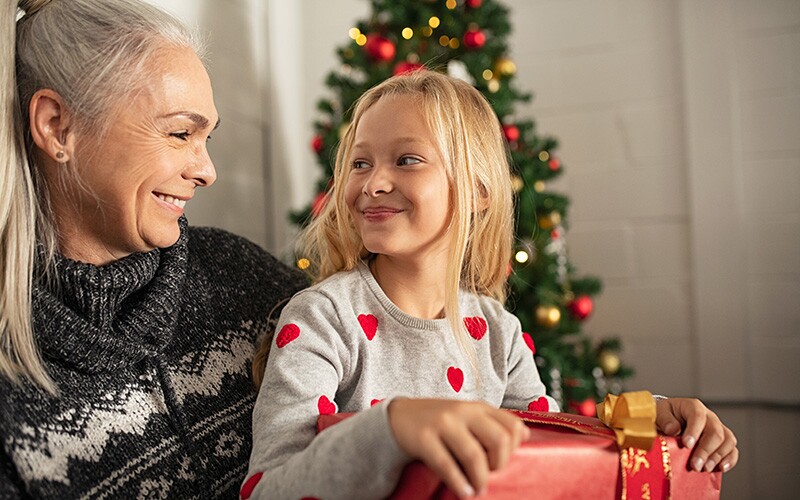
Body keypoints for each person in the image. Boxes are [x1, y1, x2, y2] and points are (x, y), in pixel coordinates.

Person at [244, 70, 739, 500]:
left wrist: (644, 418)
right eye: (360, 162)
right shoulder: (322, 318)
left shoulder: (497, 331)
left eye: (407, 160)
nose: (372, 183)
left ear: (478, 191)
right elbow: (270, 488)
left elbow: (546, 450)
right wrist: (391, 430)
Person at [0, 0, 307, 498]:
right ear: (56, 125)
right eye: (180, 133)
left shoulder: (246, 282)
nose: (207, 171)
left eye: (205, 137)